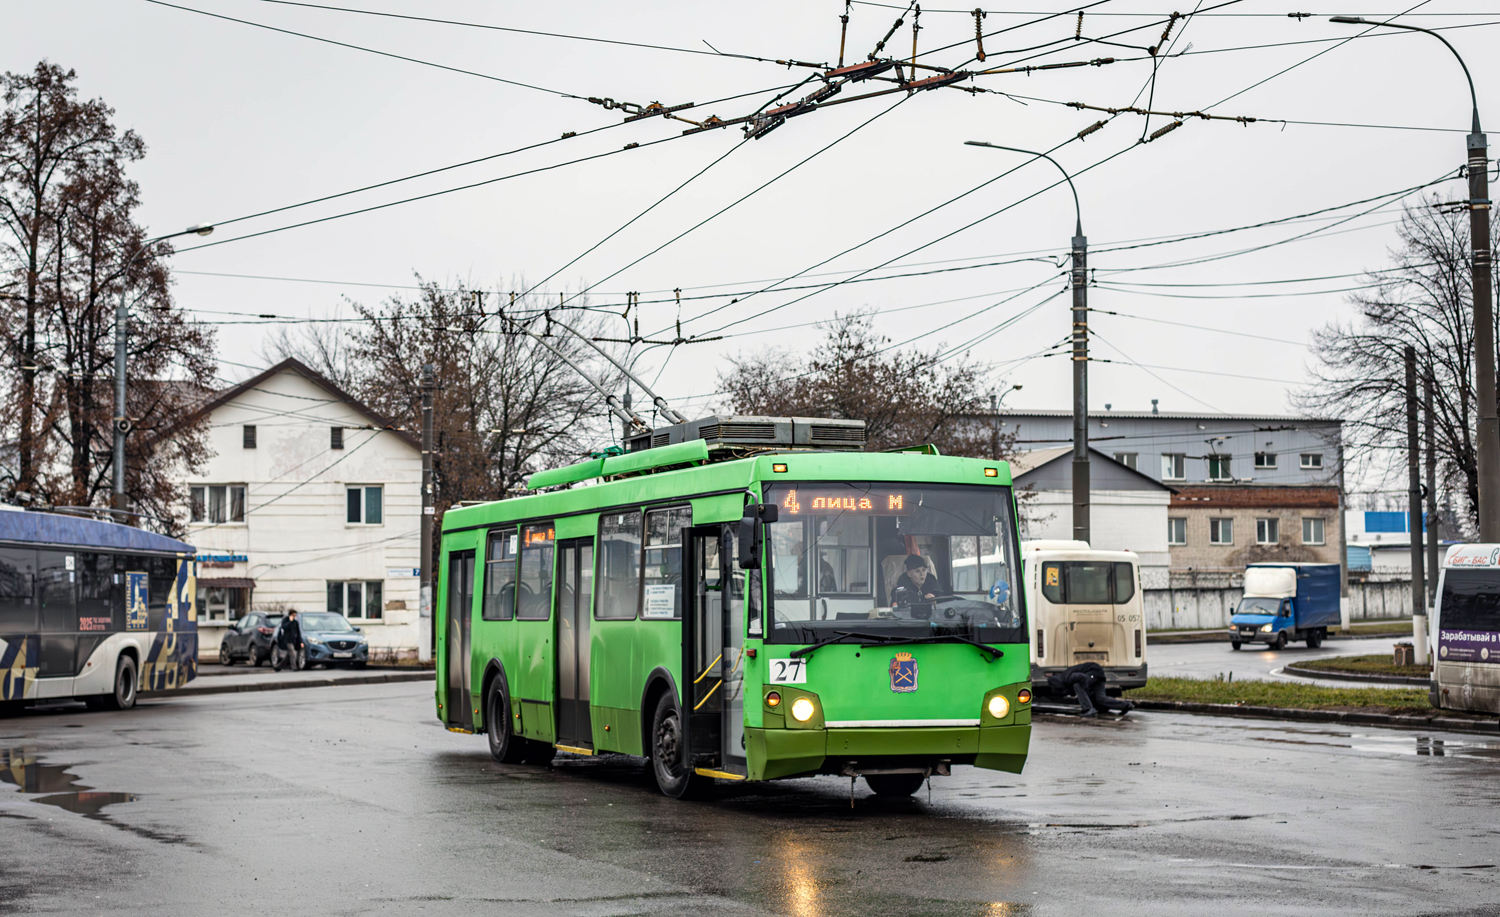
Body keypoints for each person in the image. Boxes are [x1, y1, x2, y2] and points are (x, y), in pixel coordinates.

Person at [1046, 662, 1133, 718]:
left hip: (1094, 671)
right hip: (1097, 673)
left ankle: (1088, 709)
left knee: (1077, 685)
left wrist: (1087, 690)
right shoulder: (1065, 679)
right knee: (1101, 698)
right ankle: (1126, 705)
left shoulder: (1067, 678)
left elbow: (1082, 677)